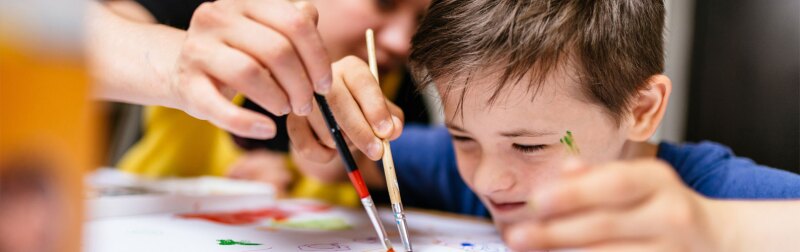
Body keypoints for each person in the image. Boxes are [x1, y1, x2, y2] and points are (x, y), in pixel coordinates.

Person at [288, 0, 800, 250]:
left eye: (530, 147)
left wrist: (718, 228)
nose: (488, 179)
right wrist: (328, 114)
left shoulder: (719, 194)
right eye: (463, 136)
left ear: (641, 109)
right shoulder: (461, 169)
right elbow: (345, 164)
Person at [92, 0, 428, 203]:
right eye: (384, 2)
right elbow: (79, 35)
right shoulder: (219, 10)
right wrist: (179, 59)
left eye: (420, 21)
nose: (401, 42)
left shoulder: (401, 94)